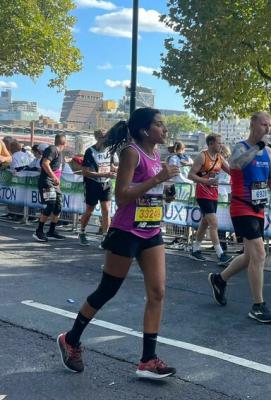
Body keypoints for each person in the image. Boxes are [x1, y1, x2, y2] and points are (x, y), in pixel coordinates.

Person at [56, 108, 180, 378]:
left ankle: (148, 360)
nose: (165, 129)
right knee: (107, 291)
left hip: (151, 231)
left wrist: (164, 191)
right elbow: (122, 196)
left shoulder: (157, 155)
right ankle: (71, 339)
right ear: (145, 130)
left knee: (158, 292)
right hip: (126, 232)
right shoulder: (131, 153)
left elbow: (149, 191)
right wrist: (157, 179)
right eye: (160, 125)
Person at [207, 111, 271, 324]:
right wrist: (258, 147)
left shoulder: (268, 153)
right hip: (241, 206)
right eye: (264, 125)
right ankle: (258, 305)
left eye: (270, 126)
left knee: (250, 257)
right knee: (259, 253)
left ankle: (220, 279)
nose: (268, 129)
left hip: (259, 208)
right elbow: (237, 164)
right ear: (253, 125)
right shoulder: (242, 147)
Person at [188, 134, 233, 265]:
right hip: (202, 193)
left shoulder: (220, 157)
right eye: (219, 143)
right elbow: (190, 175)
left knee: (205, 222)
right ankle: (220, 254)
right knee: (214, 223)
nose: (221, 145)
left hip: (214, 193)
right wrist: (206, 181)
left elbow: (232, 171)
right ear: (211, 143)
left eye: (222, 143)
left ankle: (195, 249)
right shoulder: (202, 156)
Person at [78, 129, 118, 246]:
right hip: (92, 183)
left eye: (107, 138)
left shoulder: (110, 150)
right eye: (104, 138)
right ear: (98, 138)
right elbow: (85, 172)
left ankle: (105, 237)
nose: (107, 140)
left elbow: (111, 166)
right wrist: (104, 174)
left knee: (106, 209)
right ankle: (82, 231)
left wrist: (116, 170)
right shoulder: (90, 151)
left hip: (106, 183)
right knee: (90, 209)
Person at [33, 134, 68, 242]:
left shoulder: (60, 154)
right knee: (50, 204)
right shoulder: (52, 149)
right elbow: (45, 163)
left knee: (58, 206)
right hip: (47, 182)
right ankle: (39, 231)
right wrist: (54, 177)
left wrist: (58, 181)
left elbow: (57, 169)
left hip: (55, 184)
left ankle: (51, 231)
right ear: (64, 143)